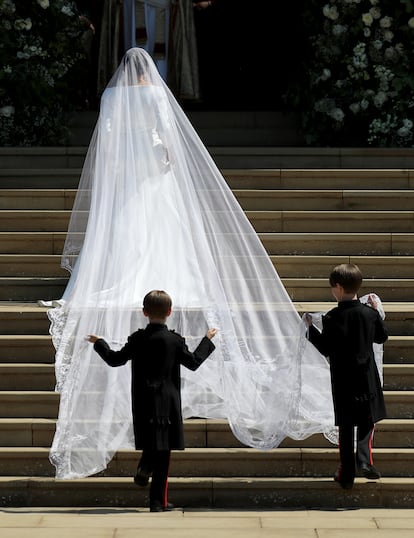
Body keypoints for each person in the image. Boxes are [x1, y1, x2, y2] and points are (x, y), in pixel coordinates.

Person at [45, 47, 337, 482]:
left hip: (125, 169)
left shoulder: (113, 99)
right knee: (162, 225)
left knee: (126, 223)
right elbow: (168, 138)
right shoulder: (153, 97)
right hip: (150, 168)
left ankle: (119, 272)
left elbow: (106, 142)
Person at [87, 290, 217, 512]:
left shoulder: (137, 339)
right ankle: (157, 501)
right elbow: (194, 363)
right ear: (170, 311)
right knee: (163, 450)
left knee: (151, 440)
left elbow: (115, 359)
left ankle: (145, 467)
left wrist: (100, 343)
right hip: (168, 401)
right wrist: (206, 340)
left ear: (144, 312)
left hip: (144, 399)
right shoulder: (174, 340)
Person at [305, 263, 388, 490]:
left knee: (346, 427)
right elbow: (381, 337)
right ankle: (364, 459)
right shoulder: (369, 314)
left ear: (339, 288)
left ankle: (346, 474)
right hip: (367, 377)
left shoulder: (332, 318)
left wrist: (310, 329)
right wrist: (377, 312)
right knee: (367, 421)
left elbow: (326, 348)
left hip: (343, 380)